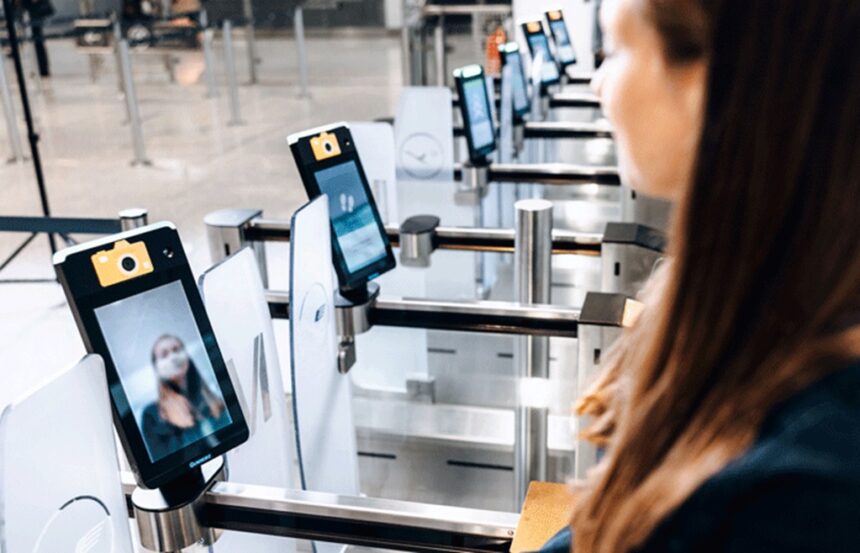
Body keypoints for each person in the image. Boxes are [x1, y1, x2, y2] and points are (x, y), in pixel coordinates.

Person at [540, 0, 860, 551]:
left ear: (706, 82)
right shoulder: (750, 310)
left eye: (616, 50)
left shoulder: (807, 496)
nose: (597, 83)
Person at [141, 334, 229, 460]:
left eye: (176, 350)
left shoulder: (211, 398)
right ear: (157, 368)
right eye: (165, 354)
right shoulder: (152, 415)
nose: (173, 357)